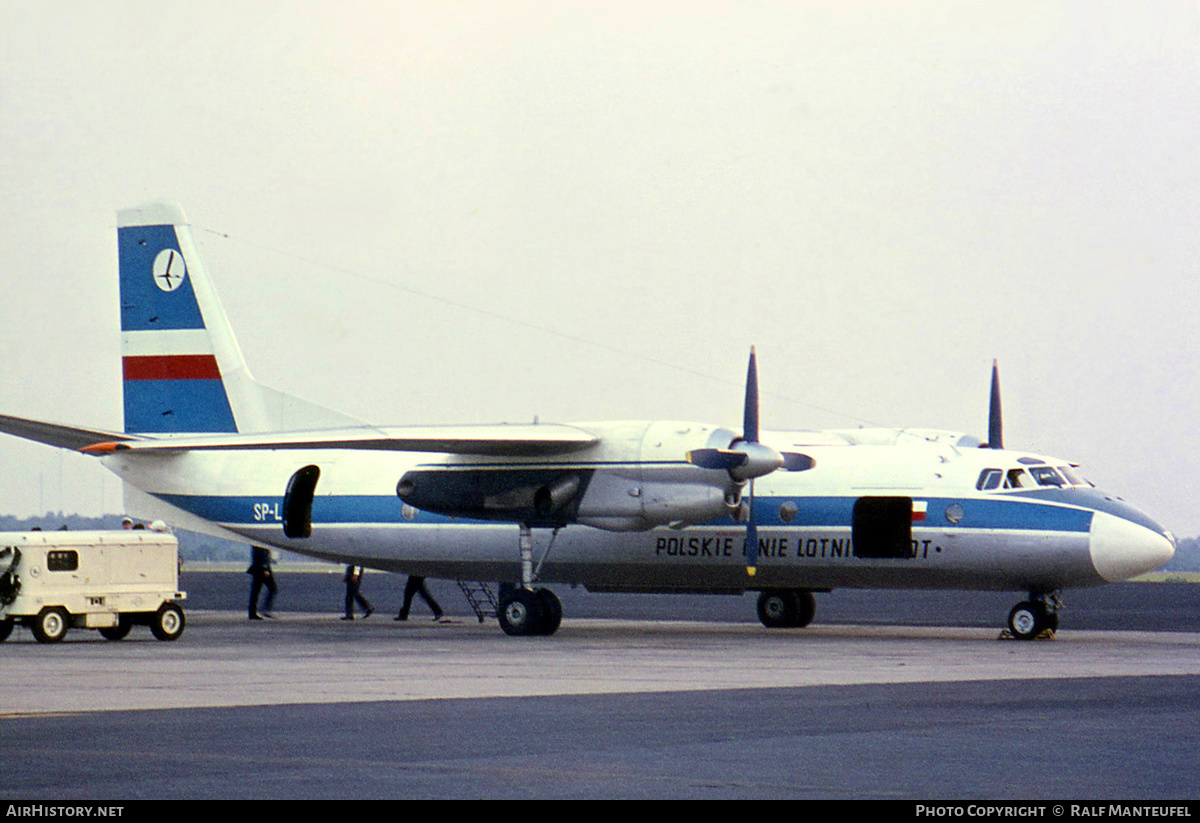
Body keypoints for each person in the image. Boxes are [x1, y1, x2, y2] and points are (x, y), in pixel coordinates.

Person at [247, 546, 277, 620]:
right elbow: (262, 556)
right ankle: (265, 609)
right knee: (272, 588)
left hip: (258, 569)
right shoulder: (260, 545)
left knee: (255, 591)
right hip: (261, 570)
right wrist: (265, 568)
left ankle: (253, 612)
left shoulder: (256, 544)